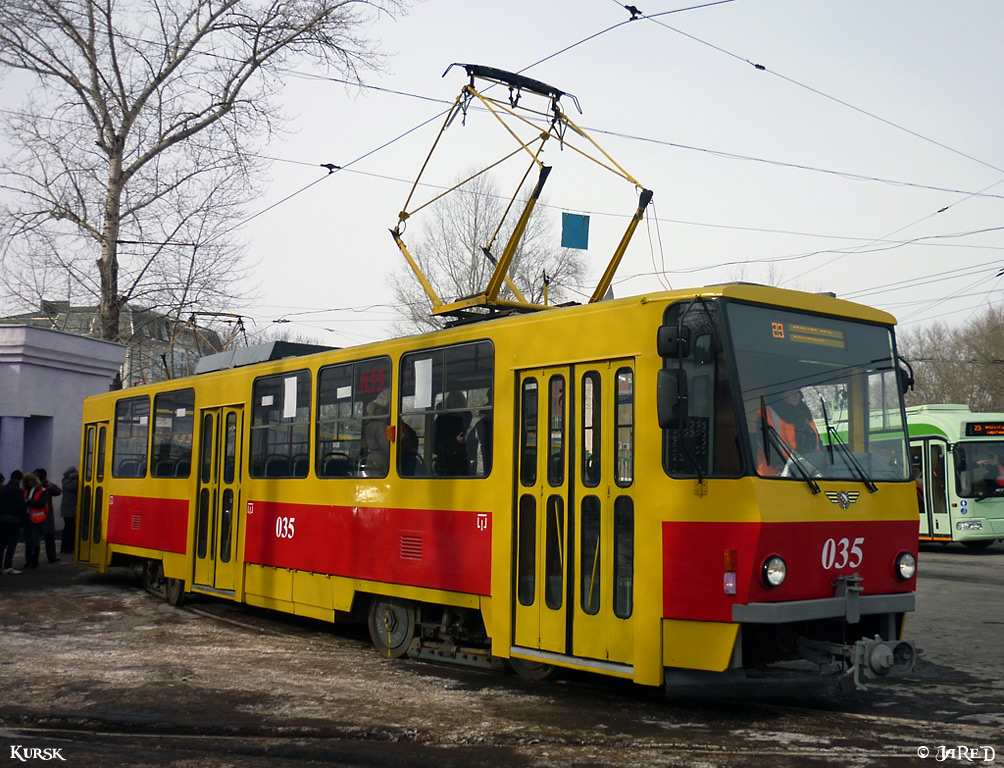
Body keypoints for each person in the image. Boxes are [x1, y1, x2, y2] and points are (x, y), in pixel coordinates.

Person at [755, 388, 820, 476]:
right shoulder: (768, 414)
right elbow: (770, 452)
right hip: (776, 476)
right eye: (790, 392)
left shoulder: (805, 413)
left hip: (809, 472)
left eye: (797, 391)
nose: (795, 395)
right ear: (780, 395)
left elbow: (817, 442)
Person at [433, 391, 470, 476]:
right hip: (446, 465)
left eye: (460, 402)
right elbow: (434, 446)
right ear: (449, 404)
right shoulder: (441, 421)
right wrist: (455, 441)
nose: (457, 404)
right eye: (454, 402)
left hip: (465, 463)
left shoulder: (467, 418)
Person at [21, 472, 49, 569]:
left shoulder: (42, 491)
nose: (30, 483)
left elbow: (41, 504)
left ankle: (33, 561)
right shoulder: (27, 491)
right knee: (29, 541)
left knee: (34, 540)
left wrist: (29, 502)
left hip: (36, 519)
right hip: (28, 518)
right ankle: (29, 561)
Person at [1, 471, 27, 574]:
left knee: (1, 544)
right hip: (13, 520)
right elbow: (20, 507)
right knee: (11, 544)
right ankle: (8, 566)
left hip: (2, 519)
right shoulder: (18, 491)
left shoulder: (3, 489)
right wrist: (22, 521)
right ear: (20, 479)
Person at [34, 468, 62, 564]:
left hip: (43, 515)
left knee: (48, 537)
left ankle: (49, 557)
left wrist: (49, 485)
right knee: (45, 537)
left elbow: (58, 492)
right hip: (40, 515)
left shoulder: (45, 486)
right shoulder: (36, 486)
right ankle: (49, 557)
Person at [361, 391, 390, 478]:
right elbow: (386, 446)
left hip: (371, 461)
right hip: (380, 463)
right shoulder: (380, 424)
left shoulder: (371, 422)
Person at [60, 466, 79, 554]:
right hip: (69, 509)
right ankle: (66, 547)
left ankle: (69, 547)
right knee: (69, 528)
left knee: (70, 528)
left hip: (69, 509)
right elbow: (73, 487)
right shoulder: (67, 481)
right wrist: (75, 477)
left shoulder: (66, 480)